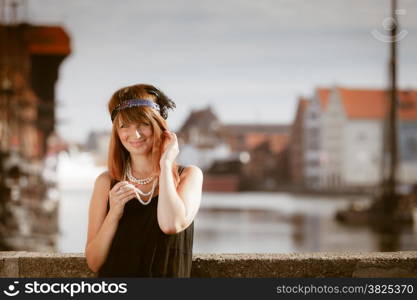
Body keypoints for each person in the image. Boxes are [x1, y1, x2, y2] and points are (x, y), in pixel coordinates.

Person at [85, 84, 203, 277]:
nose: (135, 134)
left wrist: (165, 165)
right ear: (117, 132)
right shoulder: (105, 183)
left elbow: (171, 224)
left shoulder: (189, 176)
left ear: (158, 125)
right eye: (125, 126)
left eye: (143, 124)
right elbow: (94, 262)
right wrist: (114, 212)